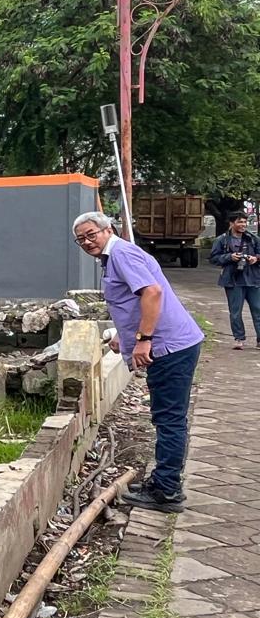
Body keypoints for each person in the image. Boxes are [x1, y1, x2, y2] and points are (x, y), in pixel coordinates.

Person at [73, 211, 203, 513]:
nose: (87, 242)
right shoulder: (115, 256)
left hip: (169, 347)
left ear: (108, 230)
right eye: (81, 239)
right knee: (168, 417)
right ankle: (163, 482)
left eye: (91, 234)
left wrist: (144, 339)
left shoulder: (121, 254)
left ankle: (167, 492)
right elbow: (133, 300)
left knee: (169, 419)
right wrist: (124, 334)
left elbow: (152, 293)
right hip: (174, 343)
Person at [209, 210, 260, 350]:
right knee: (235, 312)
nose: (243, 225)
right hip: (233, 280)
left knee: (258, 310)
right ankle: (239, 338)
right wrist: (229, 257)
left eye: (245, 222)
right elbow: (213, 258)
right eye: (240, 222)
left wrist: (255, 258)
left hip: (253, 279)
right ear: (232, 223)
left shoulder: (253, 238)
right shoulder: (222, 240)